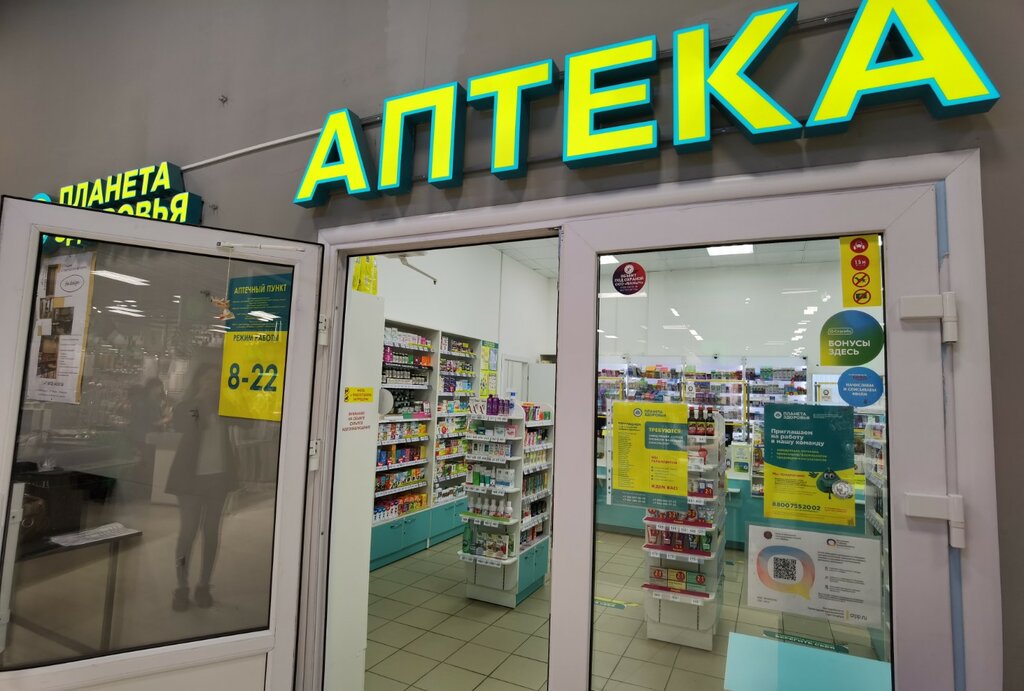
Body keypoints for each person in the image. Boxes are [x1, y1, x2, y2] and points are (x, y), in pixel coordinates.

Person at [167, 364, 238, 611]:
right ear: (198, 382)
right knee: (187, 532)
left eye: (217, 380)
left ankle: (204, 584)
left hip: (218, 478)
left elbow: (248, 422)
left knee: (211, 533)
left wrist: (236, 395)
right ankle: (181, 586)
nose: (212, 384)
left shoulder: (226, 407)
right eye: (208, 379)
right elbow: (183, 425)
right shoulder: (188, 406)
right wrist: (201, 401)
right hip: (190, 479)